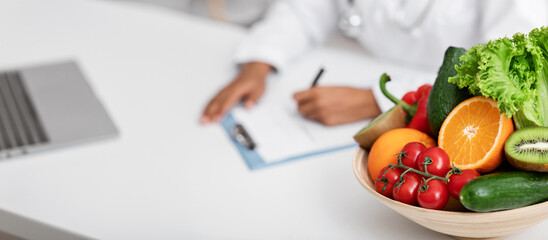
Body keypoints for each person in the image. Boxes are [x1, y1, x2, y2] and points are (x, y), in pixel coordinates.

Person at [200, 0, 547, 126]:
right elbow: (308, 8)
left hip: (444, 120)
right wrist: (260, 61)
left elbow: (513, 75)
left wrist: (380, 100)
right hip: (358, 71)